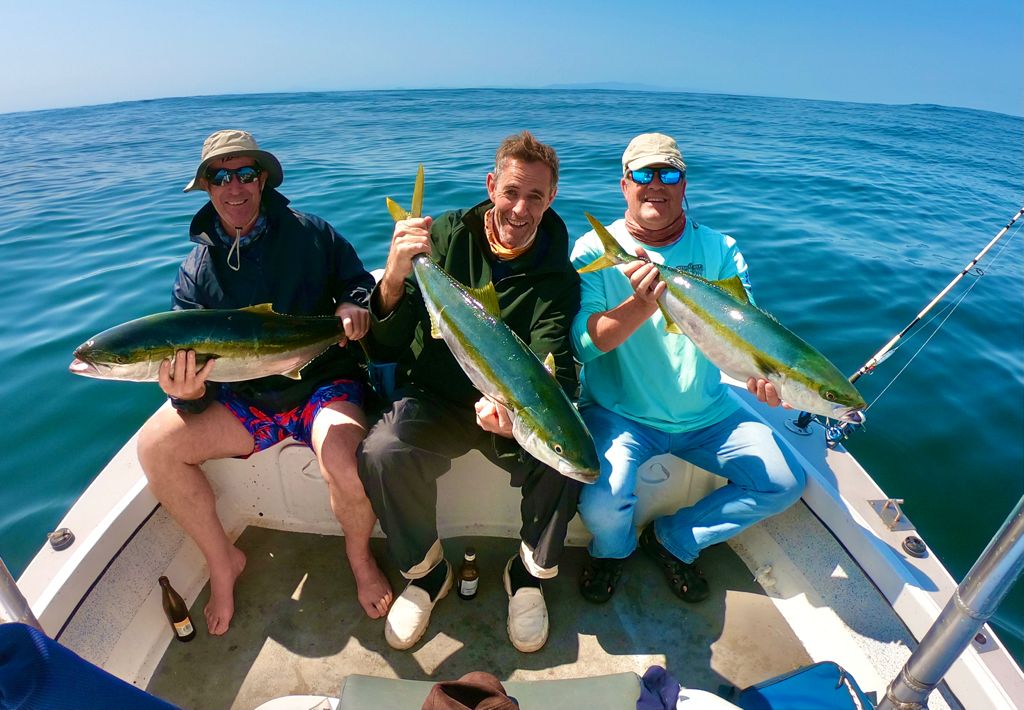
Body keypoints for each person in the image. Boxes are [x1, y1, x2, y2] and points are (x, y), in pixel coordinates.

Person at [137, 129, 392, 635]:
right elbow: (197, 376)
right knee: (155, 448)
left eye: (245, 174)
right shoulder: (195, 274)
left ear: (263, 180)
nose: (235, 188)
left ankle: (359, 558)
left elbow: (359, 283)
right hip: (247, 399)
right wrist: (186, 396)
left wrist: (353, 305)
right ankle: (222, 561)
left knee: (343, 461)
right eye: (220, 176)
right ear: (206, 187)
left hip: (321, 384)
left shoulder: (311, 233)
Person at [358, 131, 581, 653]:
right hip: (435, 397)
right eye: (511, 192)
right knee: (383, 451)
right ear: (491, 185)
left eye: (536, 198)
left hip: (503, 407)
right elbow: (385, 340)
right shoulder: (443, 239)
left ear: (551, 201)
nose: (520, 209)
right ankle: (426, 573)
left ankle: (528, 576)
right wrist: (392, 278)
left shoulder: (557, 277)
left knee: (565, 456)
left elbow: (555, 366)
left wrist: (515, 415)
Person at [569, 132, 805, 605]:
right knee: (602, 502)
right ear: (624, 185)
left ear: (684, 184)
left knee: (784, 482)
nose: (656, 184)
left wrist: (764, 380)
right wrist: (640, 305)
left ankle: (675, 539)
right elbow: (582, 346)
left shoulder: (721, 250)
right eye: (643, 174)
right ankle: (613, 553)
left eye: (669, 173)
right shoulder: (594, 251)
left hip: (708, 414)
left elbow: (749, 333)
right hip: (620, 414)